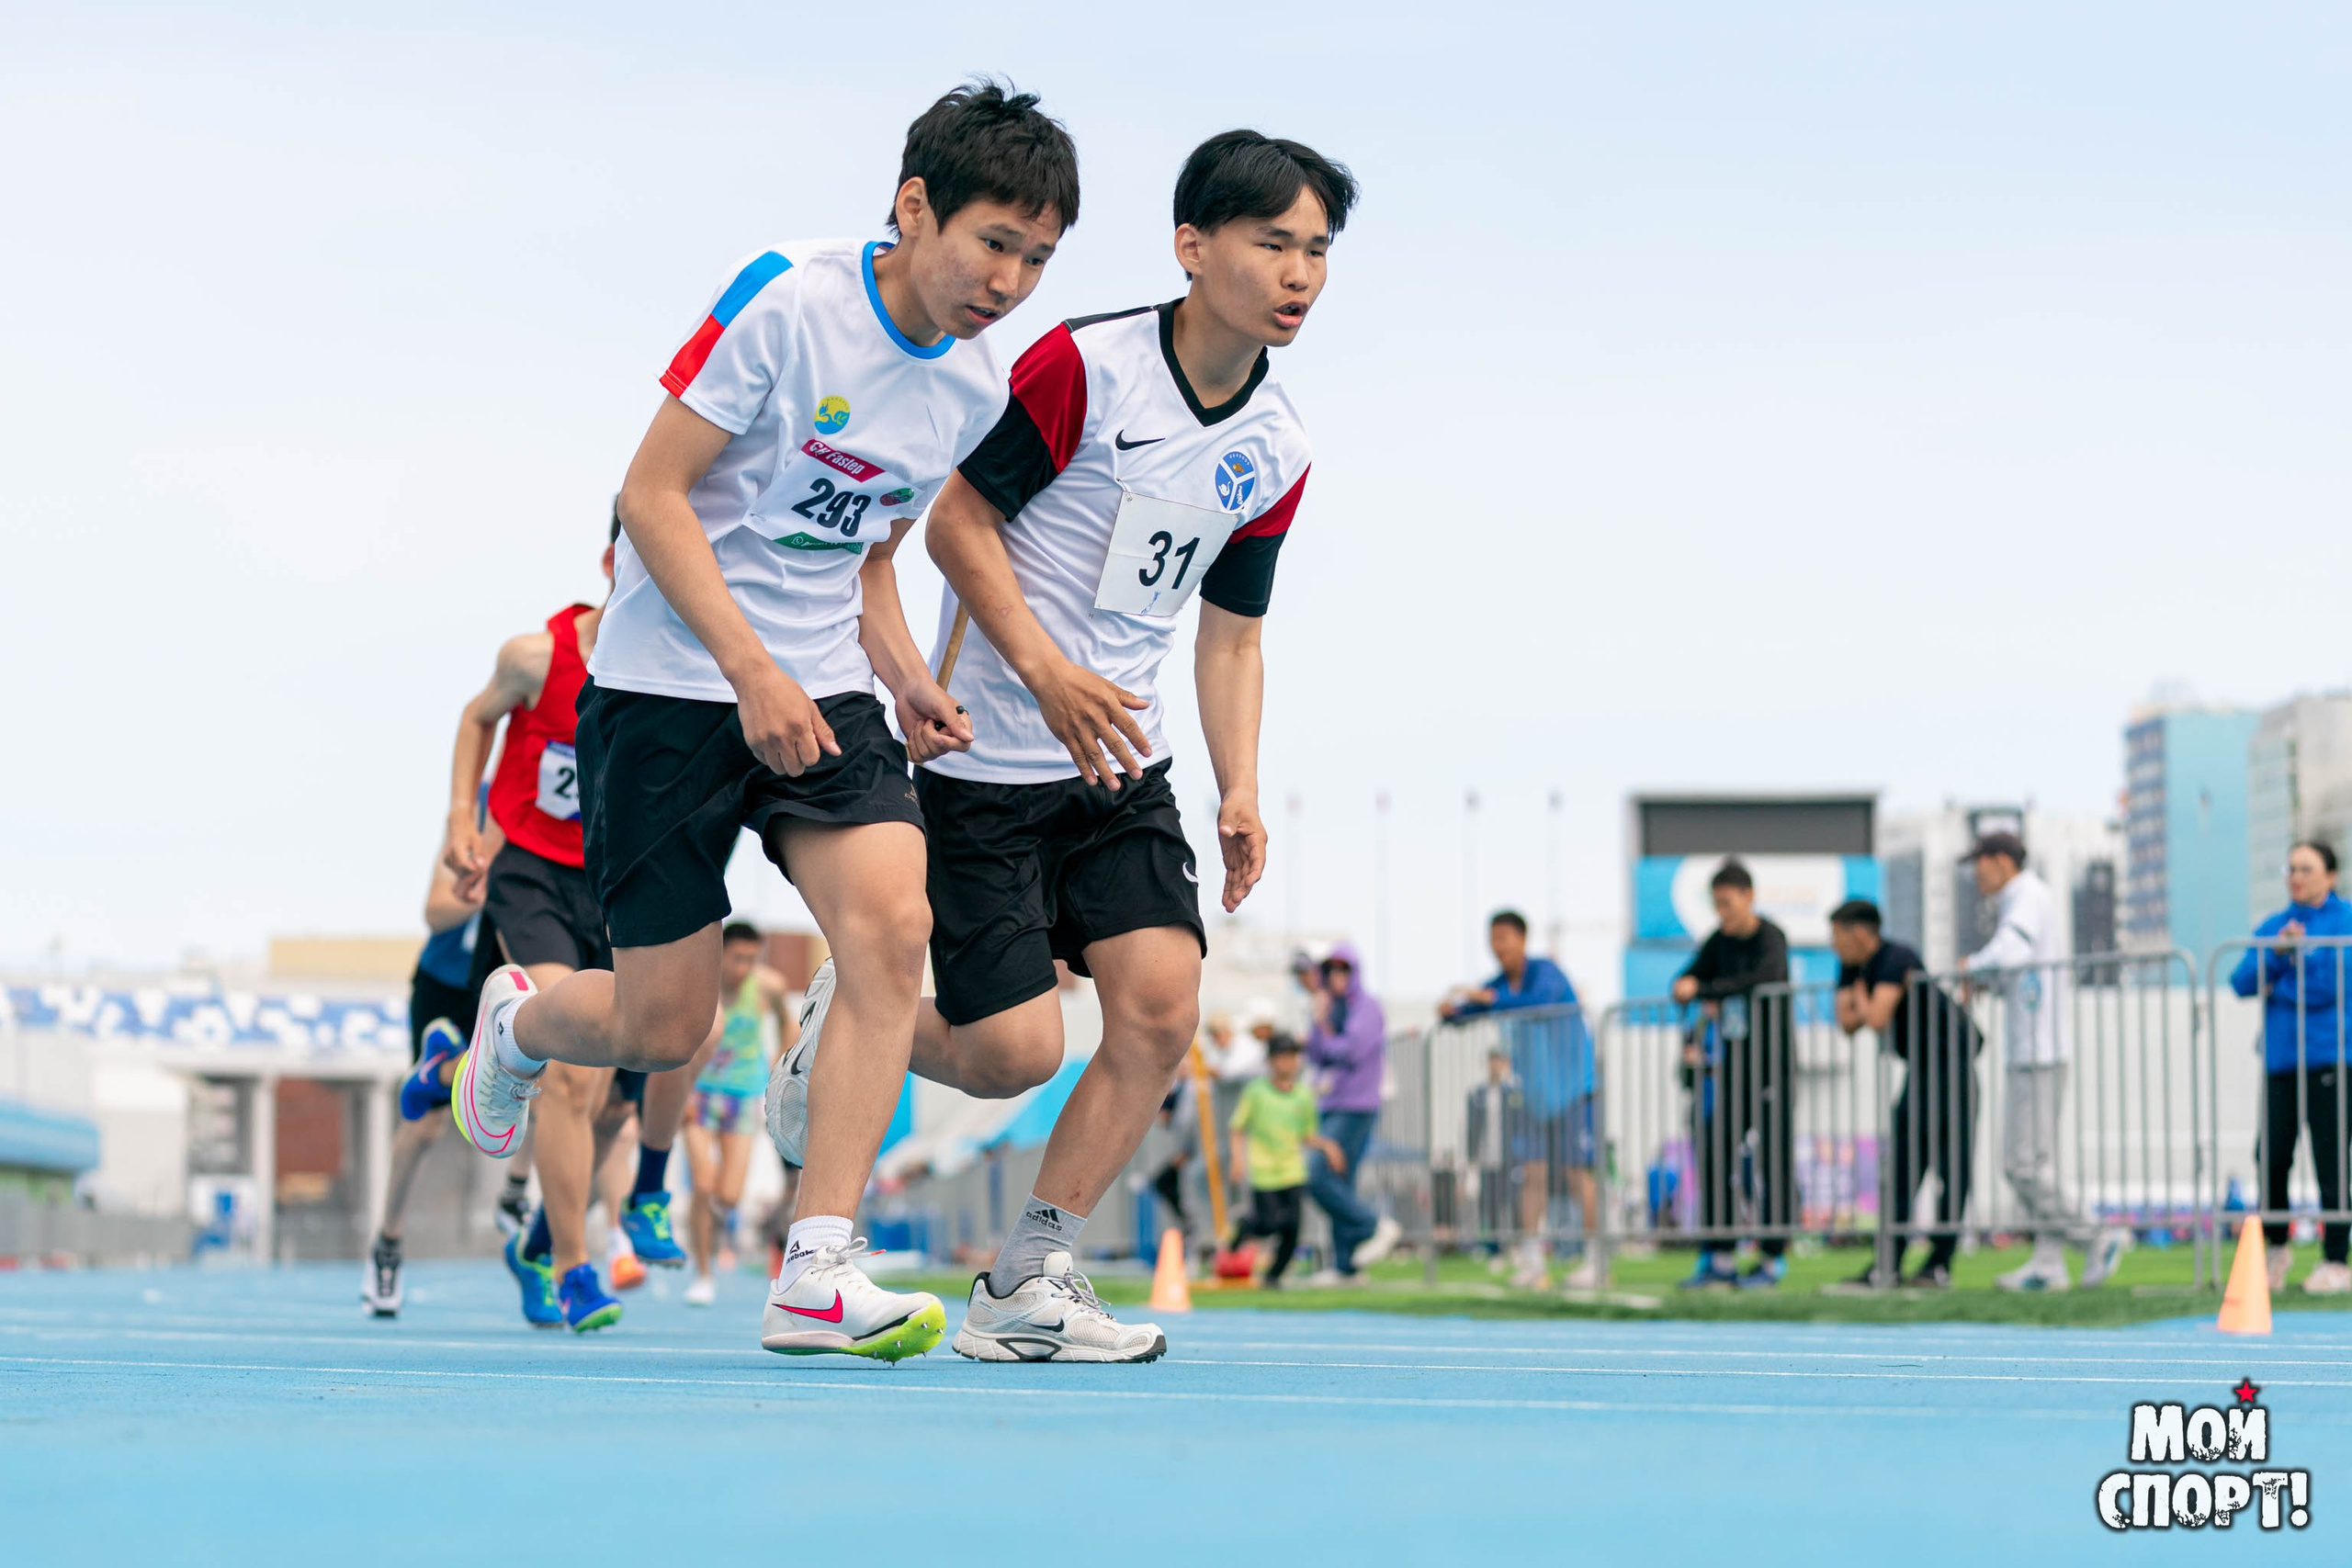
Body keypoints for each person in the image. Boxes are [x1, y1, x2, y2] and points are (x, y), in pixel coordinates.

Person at [454, 82, 1079, 1364]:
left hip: (822, 686)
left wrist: (899, 673)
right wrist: (749, 670)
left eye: (1038, 258)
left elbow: (871, 554)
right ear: (915, 206)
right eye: (993, 242)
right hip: (671, 686)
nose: (1010, 281)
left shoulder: (972, 382)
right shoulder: (787, 300)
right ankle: (518, 1022)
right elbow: (654, 493)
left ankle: (816, 1264)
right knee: (660, 1024)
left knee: (890, 924)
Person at [768, 130, 1355, 1361]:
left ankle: (1029, 1274)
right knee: (1009, 1054)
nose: (1299, 272)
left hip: (1118, 772)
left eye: (1317, 251)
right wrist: (1042, 668)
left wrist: (1239, 785)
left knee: (1158, 1007)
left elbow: (1232, 635)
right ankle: (842, 1034)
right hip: (986, 764)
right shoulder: (1085, 368)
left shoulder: (1280, 448)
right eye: (1273, 243)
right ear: (1194, 247)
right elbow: (957, 525)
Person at [439, 520, 693, 1333]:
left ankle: (539, 1239)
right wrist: (461, 820)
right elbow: (478, 717)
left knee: (616, 1098)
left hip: (615, 885)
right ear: (614, 562)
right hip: (532, 876)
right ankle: (574, 1267)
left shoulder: (677, 665)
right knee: (571, 1079)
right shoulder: (536, 656)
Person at [1958, 830, 2129, 1291]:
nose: (1976, 873)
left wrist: (1971, 967)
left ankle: (2096, 1235)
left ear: (2000, 861)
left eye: (1979, 862)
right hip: (2035, 1047)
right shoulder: (2024, 898)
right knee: (2039, 1164)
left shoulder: (2026, 894)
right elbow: (2017, 965)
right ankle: (2049, 1262)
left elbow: (2010, 952)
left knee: (2021, 1165)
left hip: (2038, 1050)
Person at [362, 840, 494, 1318]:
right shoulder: (475, 819)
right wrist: (500, 888)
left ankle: (535, 1227)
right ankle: (388, 1244)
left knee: (551, 1087)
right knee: (424, 1127)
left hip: (501, 981)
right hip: (444, 984)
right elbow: (436, 912)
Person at [1442, 910, 1601, 1290]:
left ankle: (1597, 1259)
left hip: (1573, 1090)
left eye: (1505, 937)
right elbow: (1474, 1010)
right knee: (1531, 1176)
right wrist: (1452, 1013)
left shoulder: (1546, 973)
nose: (1499, 947)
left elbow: (1531, 1002)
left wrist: (1484, 998)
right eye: (1493, 939)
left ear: (1523, 940)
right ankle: (1532, 1260)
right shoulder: (1499, 984)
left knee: (1578, 1174)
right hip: (1532, 1096)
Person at [1828, 898, 1981, 1290]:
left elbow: (1874, 1019)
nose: (1833, 946)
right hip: (1921, 1070)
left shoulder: (1898, 956)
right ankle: (1888, 1263)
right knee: (1901, 1168)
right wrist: (1865, 997)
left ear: (1861, 933)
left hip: (1954, 1066)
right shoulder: (1851, 965)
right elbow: (1846, 1024)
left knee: (1951, 1169)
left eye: (1838, 936)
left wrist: (1861, 997)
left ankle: (1938, 1264)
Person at [2230, 840, 2352, 1296]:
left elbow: (2332, 986)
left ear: (2330, 875)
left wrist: (2279, 980)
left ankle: (2336, 1260)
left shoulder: (2345, 921)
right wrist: (2279, 955)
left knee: (2331, 1158)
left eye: (2307, 868)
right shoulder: (2275, 925)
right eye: (2291, 867)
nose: (2296, 876)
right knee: (2272, 1156)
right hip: (2281, 1060)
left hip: (2331, 1057)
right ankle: (2276, 1251)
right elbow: (2241, 980)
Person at [1671, 860, 1792, 1289]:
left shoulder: (1771, 937)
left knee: (1771, 1163)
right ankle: (1719, 1257)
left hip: (1772, 1067)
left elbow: (1765, 977)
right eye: (1716, 904)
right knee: (1717, 1156)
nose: (1722, 911)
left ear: (1748, 897)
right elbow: (1684, 979)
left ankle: (1772, 1260)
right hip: (1732, 1069)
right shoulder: (1717, 942)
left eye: (1727, 902)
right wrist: (1688, 985)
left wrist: (1705, 989)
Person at [684, 923, 797, 1306]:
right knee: (703, 1184)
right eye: (737, 959)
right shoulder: (698, 981)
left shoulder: (768, 986)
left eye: (751, 959)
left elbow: (788, 1024)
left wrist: (781, 1062)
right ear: (720, 954)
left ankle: (711, 1227)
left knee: (728, 1195)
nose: (743, 967)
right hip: (699, 1092)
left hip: (745, 1093)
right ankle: (702, 1272)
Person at [1302, 944, 1400, 1283]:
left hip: (1356, 1106)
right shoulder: (1331, 1008)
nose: (1337, 977)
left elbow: (1350, 1051)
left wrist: (1325, 1032)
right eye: (1332, 971)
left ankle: (1374, 1226)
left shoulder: (1367, 1008)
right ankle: (1347, 1266)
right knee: (1341, 1182)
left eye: (1344, 970)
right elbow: (1315, 1054)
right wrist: (1317, 1021)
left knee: (1317, 1176)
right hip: (1330, 1105)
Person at [1225, 1035, 1342, 1288]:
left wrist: (1328, 1146)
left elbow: (1307, 1134)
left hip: (1293, 1171)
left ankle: (1273, 1277)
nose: (1288, 1063)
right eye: (1282, 1057)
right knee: (1269, 1223)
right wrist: (1237, 1160)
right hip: (1264, 1171)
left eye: (1292, 1057)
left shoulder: (1303, 1095)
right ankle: (1245, 1226)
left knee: (1292, 1230)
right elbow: (1237, 1127)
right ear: (1270, 1061)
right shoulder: (1256, 1091)